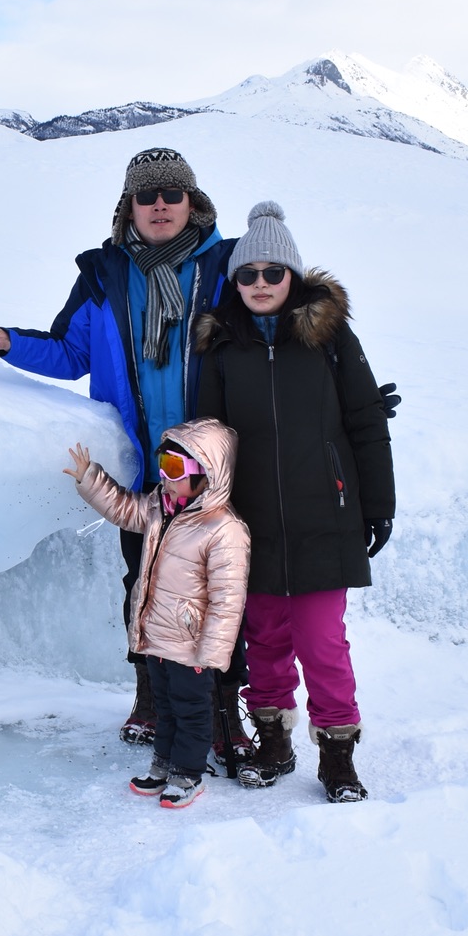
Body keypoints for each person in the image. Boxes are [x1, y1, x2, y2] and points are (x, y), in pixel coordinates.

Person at [0, 148, 243, 749]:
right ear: (129, 207)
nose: (161, 204)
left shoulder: (228, 266)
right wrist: (8, 343)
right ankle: (151, 697)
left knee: (223, 585)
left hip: (214, 464)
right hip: (143, 465)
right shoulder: (104, 274)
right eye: (148, 195)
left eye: (173, 192)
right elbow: (71, 353)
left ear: (192, 201)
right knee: (143, 584)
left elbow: (273, 330)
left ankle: (224, 712)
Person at [194, 201, 395, 803]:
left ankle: (337, 756)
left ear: (294, 277)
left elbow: (364, 422)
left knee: (322, 644)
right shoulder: (223, 347)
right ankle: (273, 742)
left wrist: (377, 504)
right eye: (247, 274)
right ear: (236, 281)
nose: (260, 284)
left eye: (272, 273)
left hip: (324, 518)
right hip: (250, 527)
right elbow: (209, 437)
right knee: (266, 642)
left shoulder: (330, 339)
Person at [64, 418, 248, 808]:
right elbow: (123, 509)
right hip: (157, 638)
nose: (164, 475)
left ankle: (189, 774)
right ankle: (164, 764)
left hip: (192, 645)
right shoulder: (158, 508)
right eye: (162, 462)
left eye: (176, 469)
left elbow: (227, 600)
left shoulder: (224, 529)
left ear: (207, 475)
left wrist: (212, 654)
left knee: (191, 711)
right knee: (165, 707)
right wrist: (90, 479)